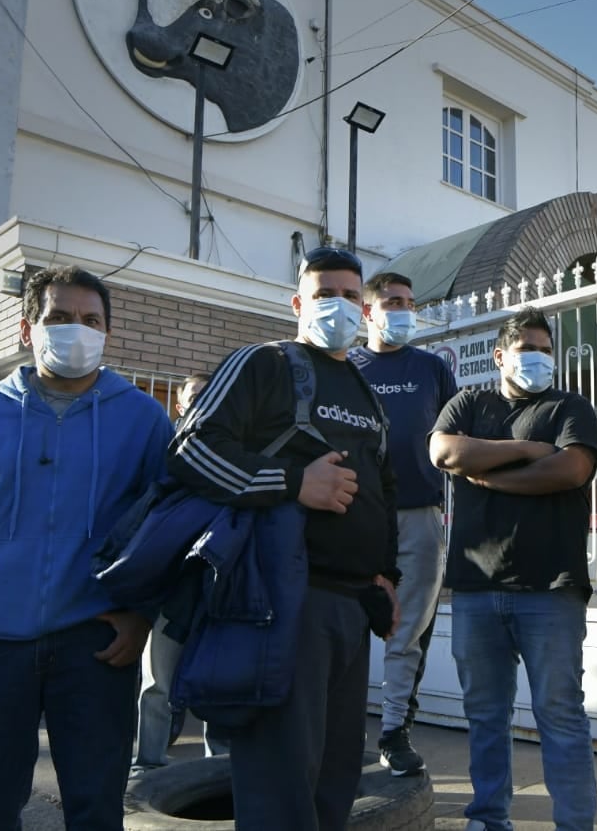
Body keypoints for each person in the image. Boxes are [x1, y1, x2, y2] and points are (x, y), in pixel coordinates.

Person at [0, 266, 174, 831]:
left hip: (98, 646)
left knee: (97, 811)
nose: (77, 330)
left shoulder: (145, 420)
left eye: (90, 320)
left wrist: (142, 615)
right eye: (59, 318)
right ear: (28, 329)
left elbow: (165, 529)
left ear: (107, 331)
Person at [167, 246, 400, 830]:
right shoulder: (264, 364)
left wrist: (386, 576)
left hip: (352, 608)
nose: (340, 306)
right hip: (283, 602)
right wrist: (295, 482)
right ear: (299, 302)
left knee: (334, 779)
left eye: (351, 295)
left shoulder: (366, 391)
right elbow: (191, 451)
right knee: (281, 784)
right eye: (326, 294)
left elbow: (381, 491)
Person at [429, 306, 597, 831]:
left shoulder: (570, 407)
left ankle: (574, 824)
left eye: (546, 349)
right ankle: (488, 817)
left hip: (550, 589)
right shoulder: (469, 402)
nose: (540, 358)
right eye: (529, 348)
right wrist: (529, 450)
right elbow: (446, 451)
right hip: (477, 587)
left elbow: (571, 468)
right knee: (485, 715)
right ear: (501, 356)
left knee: (561, 715)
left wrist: (492, 475)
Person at [350, 272, 457, 776]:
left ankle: (394, 731)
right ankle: (340, 730)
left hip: (419, 516)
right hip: (352, 515)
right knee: (343, 626)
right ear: (369, 311)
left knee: (407, 631)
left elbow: (457, 439)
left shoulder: (432, 368)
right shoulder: (344, 366)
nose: (404, 311)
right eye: (393, 302)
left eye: (410, 303)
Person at [132, 369, 224, 774]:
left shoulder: (231, 449)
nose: (202, 400)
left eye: (210, 393)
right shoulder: (164, 448)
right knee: (157, 683)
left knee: (218, 682)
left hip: (215, 584)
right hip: (170, 584)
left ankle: (217, 767)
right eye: (194, 394)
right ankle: (148, 763)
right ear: (180, 403)